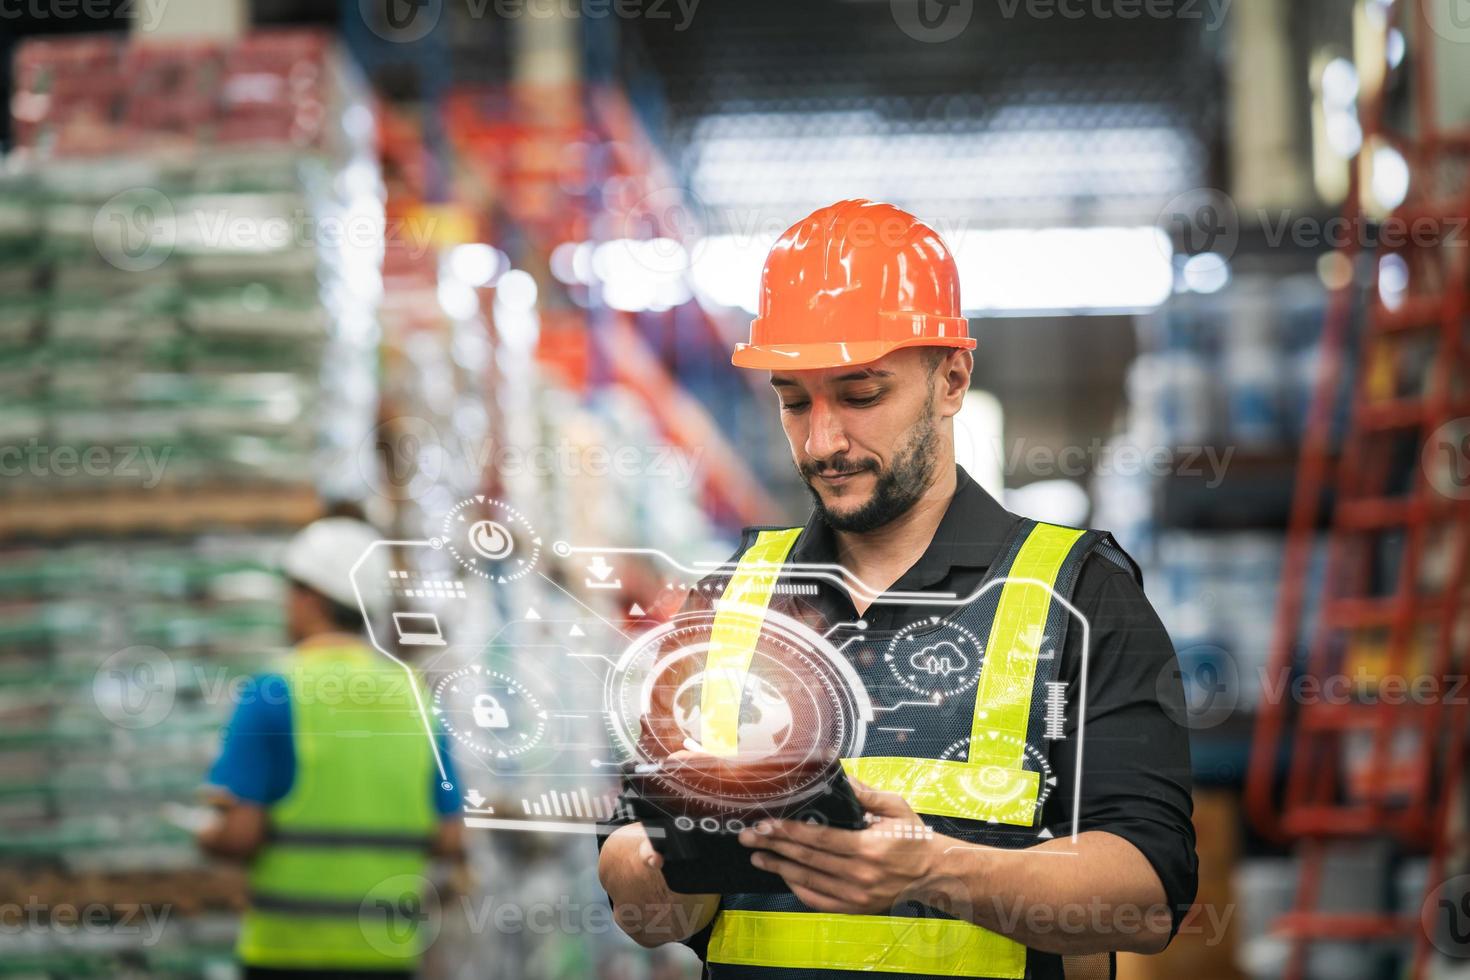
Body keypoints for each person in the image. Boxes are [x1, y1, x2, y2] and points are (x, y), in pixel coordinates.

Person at [598, 199, 1197, 979]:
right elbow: (632, 874)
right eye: (793, 400)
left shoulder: (1078, 595)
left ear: (951, 379)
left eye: (860, 394)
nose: (822, 441)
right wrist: (669, 870)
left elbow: (1148, 900)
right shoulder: (730, 598)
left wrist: (933, 870)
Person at [199, 516, 463, 980]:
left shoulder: (274, 692)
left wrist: (207, 836)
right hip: (388, 959)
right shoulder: (415, 697)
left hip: (287, 957)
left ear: (310, 597)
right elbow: (450, 837)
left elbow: (239, 835)